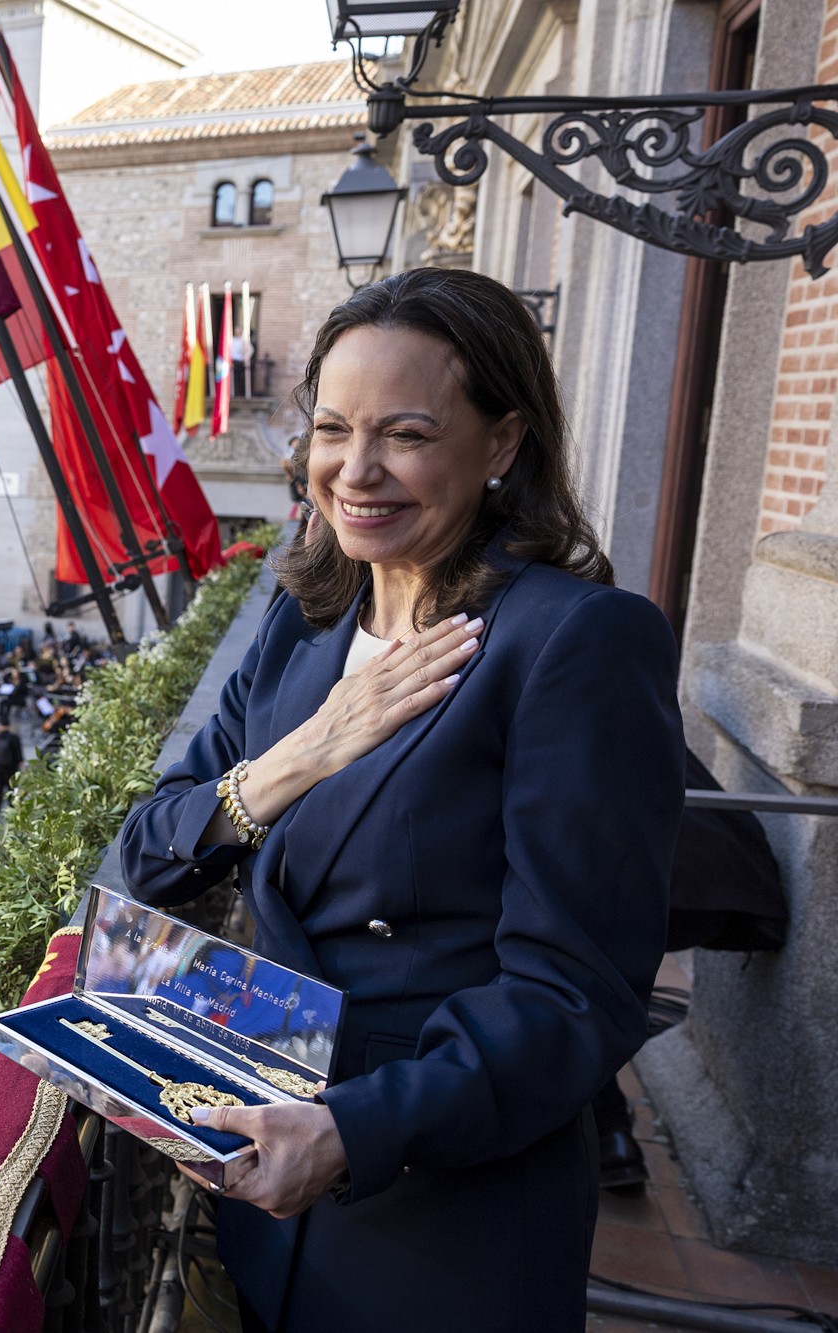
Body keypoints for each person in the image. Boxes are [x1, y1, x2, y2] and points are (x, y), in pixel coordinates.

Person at [115, 267, 683, 1333]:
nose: (355, 470)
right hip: (264, 1177)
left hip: (438, 1215)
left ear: (503, 443)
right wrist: (303, 754)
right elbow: (146, 853)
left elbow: (574, 995)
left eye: (406, 434)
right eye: (333, 429)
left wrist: (351, 1132)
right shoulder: (301, 620)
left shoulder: (575, 641)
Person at [0, 722, 24, 821]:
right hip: (11, 770)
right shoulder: (14, 738)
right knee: (12, 792)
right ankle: (13, 816)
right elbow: (19, 756)